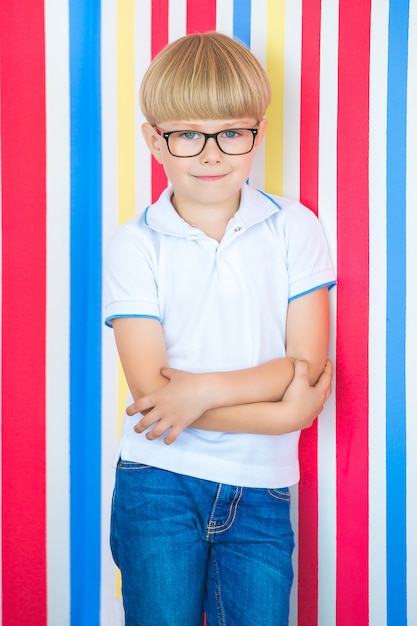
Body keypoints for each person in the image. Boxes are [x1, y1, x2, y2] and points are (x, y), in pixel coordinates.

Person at [104, 31, 336, 626]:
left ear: (257, 131)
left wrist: (201, 390)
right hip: (157, 486)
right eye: (188, 134)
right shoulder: (136, 244)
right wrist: (284, 414)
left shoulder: (294, 227)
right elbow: (155, 402)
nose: (212, 154)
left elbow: (303, 368)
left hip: (261, 492)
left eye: (232, 133)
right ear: (155, 141)